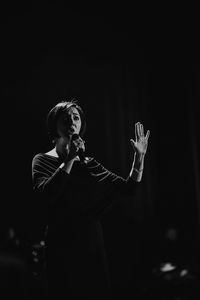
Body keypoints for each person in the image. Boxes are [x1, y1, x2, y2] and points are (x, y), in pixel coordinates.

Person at [31, 99, 150, 300]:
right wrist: (69, 159)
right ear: (54, 125)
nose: (72, 121)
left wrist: (139, 158)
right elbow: (46, 194)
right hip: (61, 243)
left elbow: (128, 188)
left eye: (76, 118)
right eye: (65, 118)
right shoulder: (42, 160)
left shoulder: (89, 164)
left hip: (91, 243)